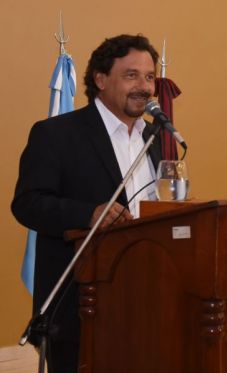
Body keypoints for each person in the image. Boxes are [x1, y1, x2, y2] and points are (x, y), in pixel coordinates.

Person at [11, 34, 163, 373]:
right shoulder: (57, 134)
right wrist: (88, 214)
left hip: (147, 302)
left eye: (150, 77)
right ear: (100, 79)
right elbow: (28, 203)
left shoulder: (153, 138)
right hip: (80, 310)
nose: (144, 86)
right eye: (131, 75)